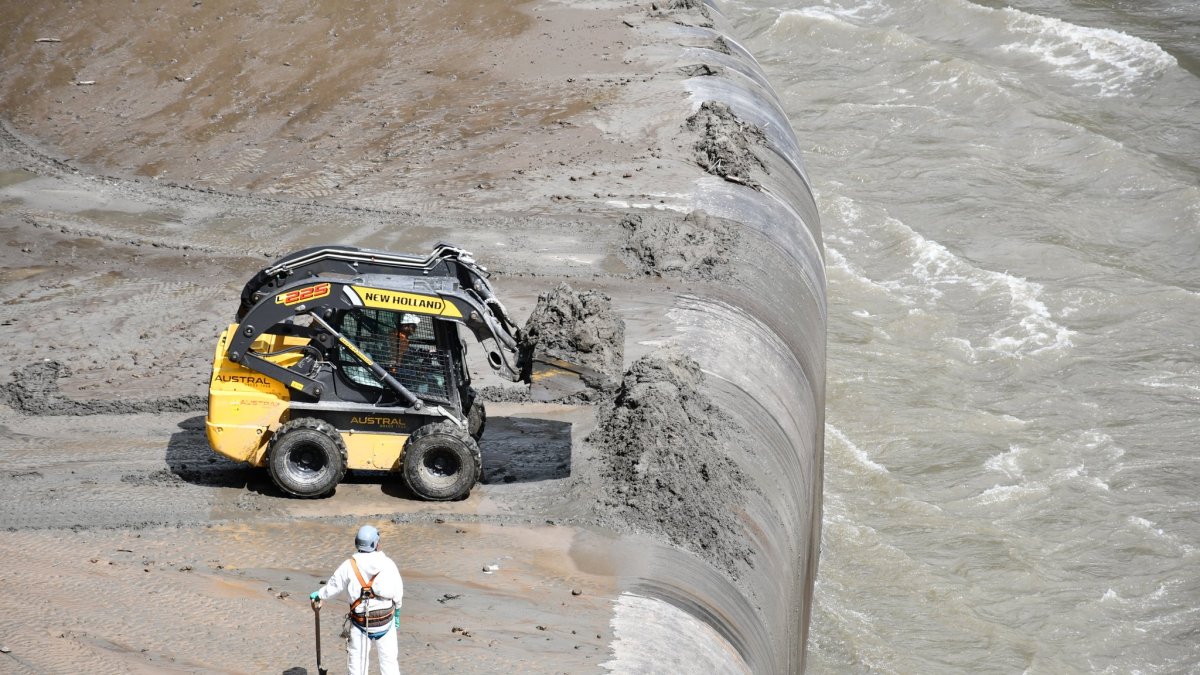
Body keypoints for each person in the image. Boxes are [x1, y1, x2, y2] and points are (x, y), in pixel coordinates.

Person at [311, 525, 404, 675]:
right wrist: (397, 613)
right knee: (390, 664)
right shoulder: (388, 564)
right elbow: (398, 592)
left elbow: (333, 587)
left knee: (357, 667)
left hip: (361, 624)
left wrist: (319, 595)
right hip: (385, 623)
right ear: (376, 543)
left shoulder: (349, 566)